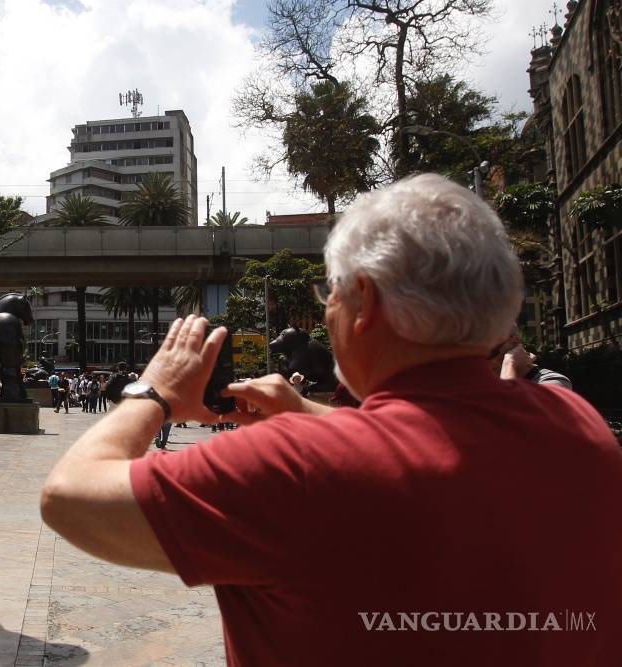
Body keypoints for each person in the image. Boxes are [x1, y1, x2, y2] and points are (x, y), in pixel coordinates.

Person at [40, 174, 622, 666]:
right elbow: (434, 445)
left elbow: (69, 497)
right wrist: (307, 413)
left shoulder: (293, 469)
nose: (328, 307)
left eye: (330, 291)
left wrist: (155, 392)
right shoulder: (580, 427)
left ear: (364, 303)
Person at [489, 325, 572, 389]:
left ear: (514, 340)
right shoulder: (486, 384)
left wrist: (509, 363)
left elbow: (507, 407)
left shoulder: (554, 381)